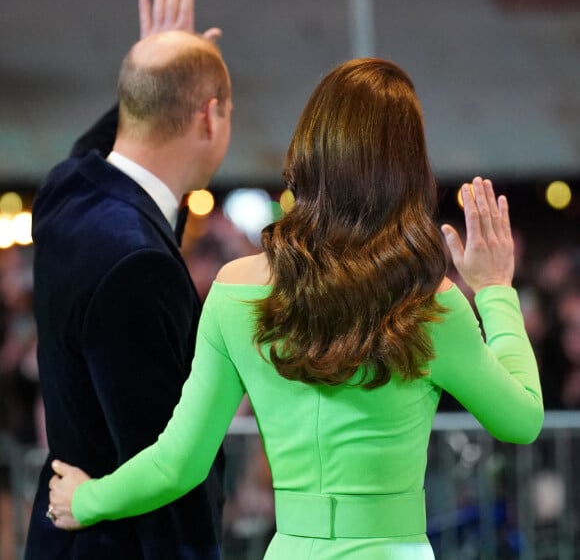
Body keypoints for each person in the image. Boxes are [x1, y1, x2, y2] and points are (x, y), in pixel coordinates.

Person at [47, 58, 543, 560]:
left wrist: (86, 499)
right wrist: (495, 289)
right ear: (408, 168)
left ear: (310, 150)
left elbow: (180, 464)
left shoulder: (235, 291)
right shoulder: (430, 303)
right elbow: (522, 420)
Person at [25, 0, 232, 559]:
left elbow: (90, 150)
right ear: (210, 117)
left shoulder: (64, 191)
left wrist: (152, 75)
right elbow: (163, 463)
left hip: (59, 536)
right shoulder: (137, 263)